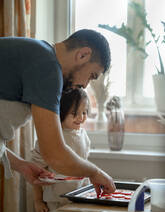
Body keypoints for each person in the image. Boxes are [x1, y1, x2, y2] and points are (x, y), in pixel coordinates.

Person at [0, 29, 116, 195]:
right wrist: (95, 173)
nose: (85, 85)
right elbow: (54, 154)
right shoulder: (47, 67)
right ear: (83, 55)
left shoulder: (38, 55)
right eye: (91, 75)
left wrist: (21, 165)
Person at [31, 88, 91, 212]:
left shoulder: (83, 135)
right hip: (55, 200)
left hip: (80, 197)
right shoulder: (50, 137)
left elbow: (84, 166)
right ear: (62, 111)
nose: (81, 117)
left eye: (84, 112)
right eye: (74, 113)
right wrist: (38, 201)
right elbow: (35, 171)